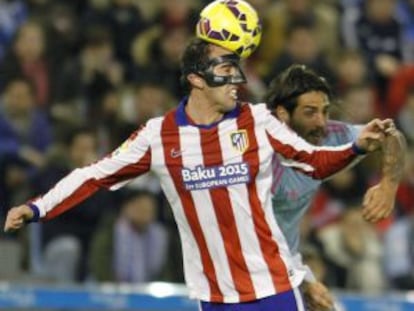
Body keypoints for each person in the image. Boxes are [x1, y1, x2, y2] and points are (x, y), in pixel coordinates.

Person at [4, 37, 392, 310]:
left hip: (272, 286)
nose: (237, 79)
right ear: (196, 79)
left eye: (237, 69)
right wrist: (38, 208)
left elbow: (315, 161)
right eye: (226, 69)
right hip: (213, 296)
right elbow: (94, 174)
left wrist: (357, 146)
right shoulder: (159, 135)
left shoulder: (256, 120)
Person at [265, 64, 406, 310]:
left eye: (325, 111)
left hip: (285, 262)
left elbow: (391, 134)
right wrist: (304, 280)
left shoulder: (330, 135)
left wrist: (388, 186)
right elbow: (257, 235)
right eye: (310, 112)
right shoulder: (259, 157)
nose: (321, 122)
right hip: (251, 265)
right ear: (283, 114)